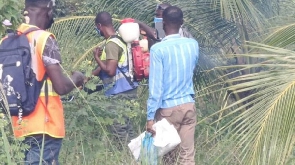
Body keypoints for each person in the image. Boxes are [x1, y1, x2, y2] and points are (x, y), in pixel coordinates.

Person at [11, 0, 85, 164]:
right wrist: (77, 78)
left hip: (19, 125)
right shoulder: (44, 39)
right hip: (46, 125)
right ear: (48, 9)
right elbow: (61, 86)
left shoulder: (8, 40)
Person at [146, 6, 199, 165]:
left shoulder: (157, 49)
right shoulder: (193, 44)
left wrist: (150, 118)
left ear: (162, 24)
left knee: (168, 157)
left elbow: (156, 88)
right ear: (181, 22)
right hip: (188, 106)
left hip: (168, 110)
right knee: (187, 156)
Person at [92, 11, 138, 146]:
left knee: (119, 128)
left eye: (96, 27)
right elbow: (104, 67)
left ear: (99, 25)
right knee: (128, 126)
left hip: (120, 92)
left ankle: (125, 156)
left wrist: (96, 58)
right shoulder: (120, 39)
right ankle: (136, 156)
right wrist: (87, 78)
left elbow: (110, 71)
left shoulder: (111, 44)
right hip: (129, 89)